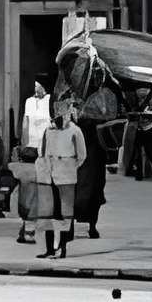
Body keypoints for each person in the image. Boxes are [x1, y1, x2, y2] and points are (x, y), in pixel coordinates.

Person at [37, 105, 88, 261]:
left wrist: (68, 165)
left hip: (66, 175)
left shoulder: (75, 131)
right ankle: (49, 248)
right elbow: (42, 151)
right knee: (48, 212)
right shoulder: (48, 131)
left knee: (65, 213)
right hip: (49, 174)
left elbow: (82, 155)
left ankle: (62, 247)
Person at [16, 81, 55, 245]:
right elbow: (25, 123)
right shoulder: (29, 102)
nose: (36, 89)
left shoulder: (50, 100)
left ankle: (28, 228)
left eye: (38, 85)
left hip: (45, 151)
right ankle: (28, 228)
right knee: (29, 190)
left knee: (38, 191)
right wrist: (24, 145)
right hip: (31, 150)